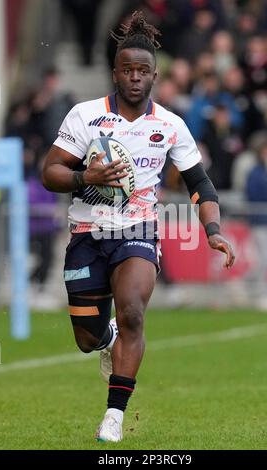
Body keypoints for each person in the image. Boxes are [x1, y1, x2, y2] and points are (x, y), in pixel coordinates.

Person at [42, 11, 235, 443]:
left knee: (132, 309)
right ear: (115, 73)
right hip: (87, 235)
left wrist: (213, 231)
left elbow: (200, 184)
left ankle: (114, 414)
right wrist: (83, 178)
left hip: (138, 231)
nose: (135, 78)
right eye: (127, 70)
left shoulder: (170, 125)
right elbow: (49, 171)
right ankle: (105, 336)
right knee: (87, 339)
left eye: (143, 71)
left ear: (154, 76)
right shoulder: (84, 116)